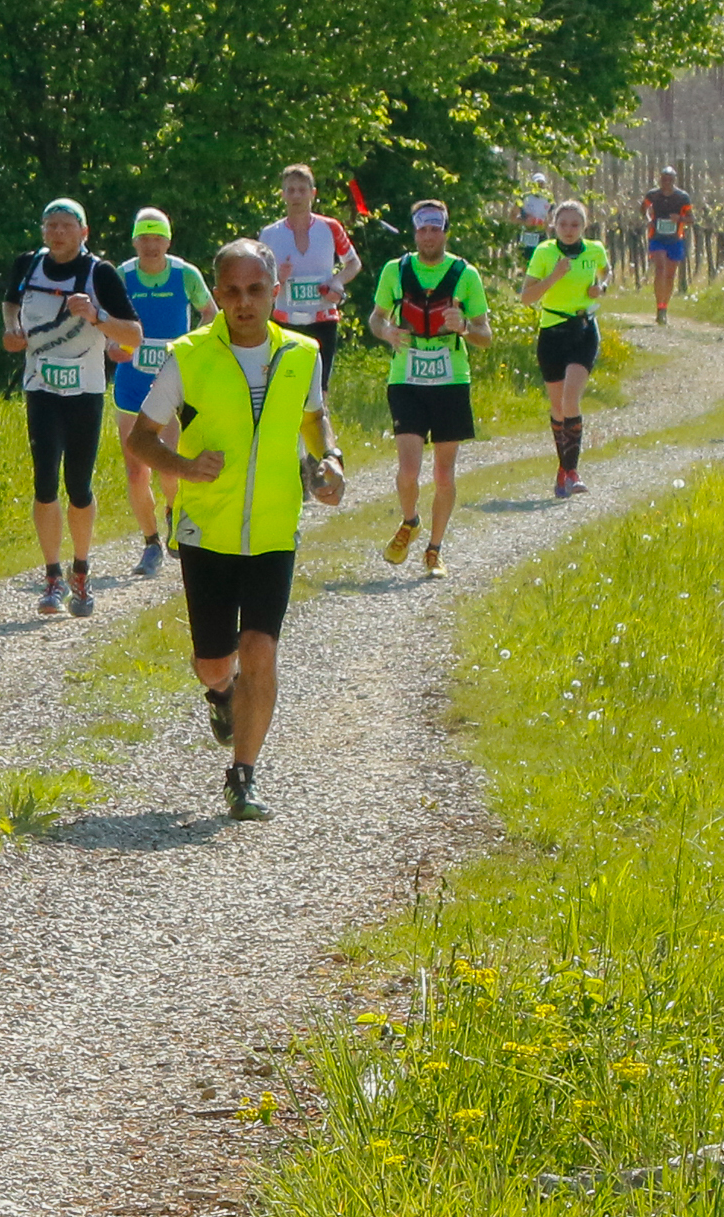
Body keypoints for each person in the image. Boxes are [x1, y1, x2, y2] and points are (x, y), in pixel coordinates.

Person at [122, 245, 341, 821]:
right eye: (233, 291)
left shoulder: (302, 354)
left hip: (274, 529)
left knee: (260, 650)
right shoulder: (188, 357)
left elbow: (314, 419)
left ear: (274, 290)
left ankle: (242, 777)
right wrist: (184, 467)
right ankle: (221, 696)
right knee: (217, 663)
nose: (245, 302)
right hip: (207, 531)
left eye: (256, 290)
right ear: (217, 295)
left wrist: (330, 460)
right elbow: (140, 439)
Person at [2, 196, 139, 615]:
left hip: (84, 391)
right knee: (44, 481)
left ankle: (81, 569)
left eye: (66, 226)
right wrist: (12, 330)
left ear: (83, 232)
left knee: (78, 485)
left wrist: (96, 316)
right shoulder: (28, 264)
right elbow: (11, 303)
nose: (57, 233)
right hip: (41, 386)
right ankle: (52, 577)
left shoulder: (100, 273)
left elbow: (133, 333)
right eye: (50, 226)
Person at [368, 201, 488, 575]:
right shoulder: (396, 270)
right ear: (415, 232)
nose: (429, 236)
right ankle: (410, 520)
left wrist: (465, 326)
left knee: (443, 474)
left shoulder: (464, 274)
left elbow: (485, 334)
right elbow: (376, 317)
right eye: (423, 229)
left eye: (435, 229)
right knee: (408, 470)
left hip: (451, 379)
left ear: (445, 231)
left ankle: (434, 550)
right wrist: (386, 331)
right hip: (407, 377)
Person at [107, 209, 212, 579]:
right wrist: (112, 345)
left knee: (169, 461)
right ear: (135, 242)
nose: (151, 246)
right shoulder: (121, 275)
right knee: (136, 470)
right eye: (144, 238)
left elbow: (210, 314)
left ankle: (174, 512)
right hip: (131, 383)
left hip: (172, 382)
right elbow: (105, 320)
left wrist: (190, 349)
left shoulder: (185, 274)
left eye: (157, 238)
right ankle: (150, 543)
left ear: (168, 242)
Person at [523, 197, 611, 497]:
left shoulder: (595, 250)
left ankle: (572, 473)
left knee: (571, 401)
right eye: (563, 224)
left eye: (575, 225)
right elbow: (526, 297)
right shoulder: (544, 252)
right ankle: (563, 469)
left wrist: (601, 288)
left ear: (584, 227)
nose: (569, 230)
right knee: (558, 406)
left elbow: (604, 271)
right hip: (552, 332)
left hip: (583, 329)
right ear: (554, 226)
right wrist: (554, 276)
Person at [257, 163, 358, 388]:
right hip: (285, 322)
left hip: (323, 320)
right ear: (282, 195)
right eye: (290, 190)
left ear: (313, 194)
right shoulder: (269, 234)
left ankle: (319, 423)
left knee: (319, 391)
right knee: (285, 387)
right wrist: (278, 278)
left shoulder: (330, 227)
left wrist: (337, 282)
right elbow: (259, 280)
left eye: (302, 190)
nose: (296, 196)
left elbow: (353, 263)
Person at [641, 166, 694, 324]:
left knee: (670, 275)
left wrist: (679, 218)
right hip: (656, 237)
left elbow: (691, 219)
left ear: (674, 180)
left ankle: (664, 307)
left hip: (675, 238)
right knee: (660, 269)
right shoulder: (653, 195)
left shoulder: (682, 197)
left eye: (670, 179)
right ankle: (659, 307)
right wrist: (648, 219)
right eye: (664, 178)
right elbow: (643, 208)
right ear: (660, 179)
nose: (667, 182)